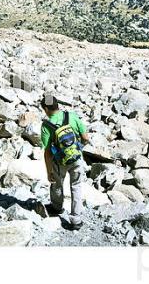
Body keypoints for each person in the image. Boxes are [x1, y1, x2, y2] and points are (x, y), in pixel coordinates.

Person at [40, 94, 90, 230]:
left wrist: (49, 171)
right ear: (58, 105)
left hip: (59, 162)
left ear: (46, 108)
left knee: (57, 184)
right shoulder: (72, 116)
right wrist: (78, 148)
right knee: (76, 187)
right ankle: (76, 220)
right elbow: (85, 138)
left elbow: (48, 152)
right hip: (77, 159)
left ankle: (56, 208)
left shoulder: (46, 126)